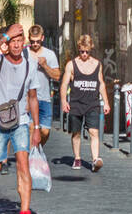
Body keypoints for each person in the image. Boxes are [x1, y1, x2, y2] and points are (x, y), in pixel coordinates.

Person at [0, 24, 40, 214]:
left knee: (23, 165)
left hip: (21, 121)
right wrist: (5, 35)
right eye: (12, 40)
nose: (15, 44)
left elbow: (33, 97)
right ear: (7, 43)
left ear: (24, 43)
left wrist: (37, 128)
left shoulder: (31, 65)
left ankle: (25, 213)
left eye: (18, 40)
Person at [60, 33, 110, 172]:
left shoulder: (97, 64)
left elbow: (101, 84)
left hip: (92, 103)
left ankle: (95, 159)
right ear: (79, 49)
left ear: (90, 49)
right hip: (76, 103)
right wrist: (64, 101)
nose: (84, 54)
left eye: (87, 52)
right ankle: (77, 158)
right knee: (76, 133)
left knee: (94, 131)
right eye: (82, 51)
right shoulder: (71, 65)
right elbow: (64, 85)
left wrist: (106, 102)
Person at [27, 24, 61, 146]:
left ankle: (37, 149)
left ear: (42, 38)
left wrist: (45, 66)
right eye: (32, 41)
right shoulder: (24, 54)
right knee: (31, 128)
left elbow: (57, 76)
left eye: (37, 41)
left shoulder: (49, 54)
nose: (35, 44)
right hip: (28, 99)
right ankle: (31, 159)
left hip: (44, 98)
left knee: (45, 131)